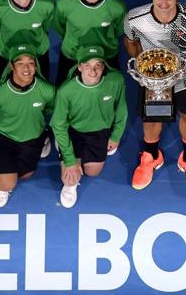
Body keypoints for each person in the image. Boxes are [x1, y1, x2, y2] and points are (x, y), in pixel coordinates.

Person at [124, 0, 186, 193]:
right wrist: (141, 62)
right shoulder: (135, 18)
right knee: (153, 119)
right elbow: (130, 40)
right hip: (154, 79)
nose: (164, 2)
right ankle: (152, 156)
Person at [50, 45, 128, 208]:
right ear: (79, 67)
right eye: (87, 66)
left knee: (92, 172)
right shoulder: (66, 91)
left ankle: (73, 154)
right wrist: (70, 161)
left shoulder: (116, 81)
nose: (93, 71)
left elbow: (121, 110)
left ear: (103, 66)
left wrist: (115, 136)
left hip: (100, 132)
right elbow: (58, 125)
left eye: (97, 65)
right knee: (71, 175)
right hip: (75, 131)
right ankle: (64, 155)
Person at [0, 44, 56, 207]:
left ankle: (43, 141)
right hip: (4, 138)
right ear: (11, 66)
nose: (26, 68)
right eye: (20, 63)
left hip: (33, 137)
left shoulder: (48, 91)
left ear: (36, 65)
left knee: (25, 175)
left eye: (31, 63)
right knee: (7, 184)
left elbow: (49, 109)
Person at [52, 0, 126, 85]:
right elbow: (59, 27)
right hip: (72, 56)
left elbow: (119, 30)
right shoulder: (63, 4)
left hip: (106, 57)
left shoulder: (117, 7)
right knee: (63, 97)